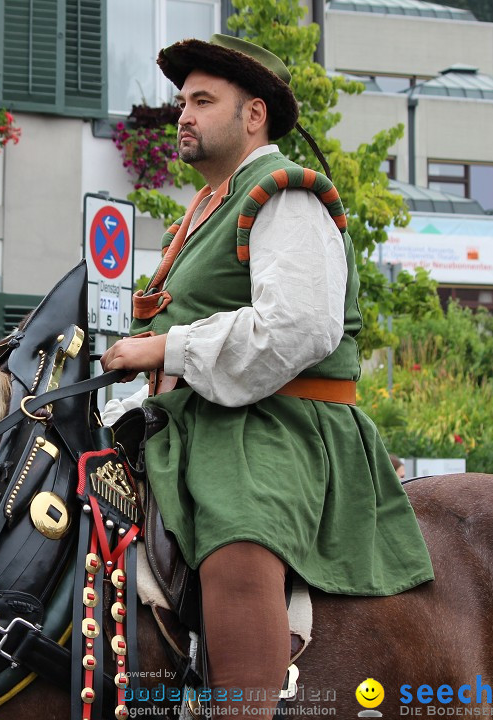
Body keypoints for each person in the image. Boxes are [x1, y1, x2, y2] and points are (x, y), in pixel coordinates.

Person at [100, 35, 434, 714]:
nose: (182, 116)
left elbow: (301, 328)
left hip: (278, 423)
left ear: (253, 115)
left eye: (202, 101)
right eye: (181, 102)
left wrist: (165, 349)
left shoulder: (286, 194)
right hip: (196, 417)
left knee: (236, 526)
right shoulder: (201, 210)